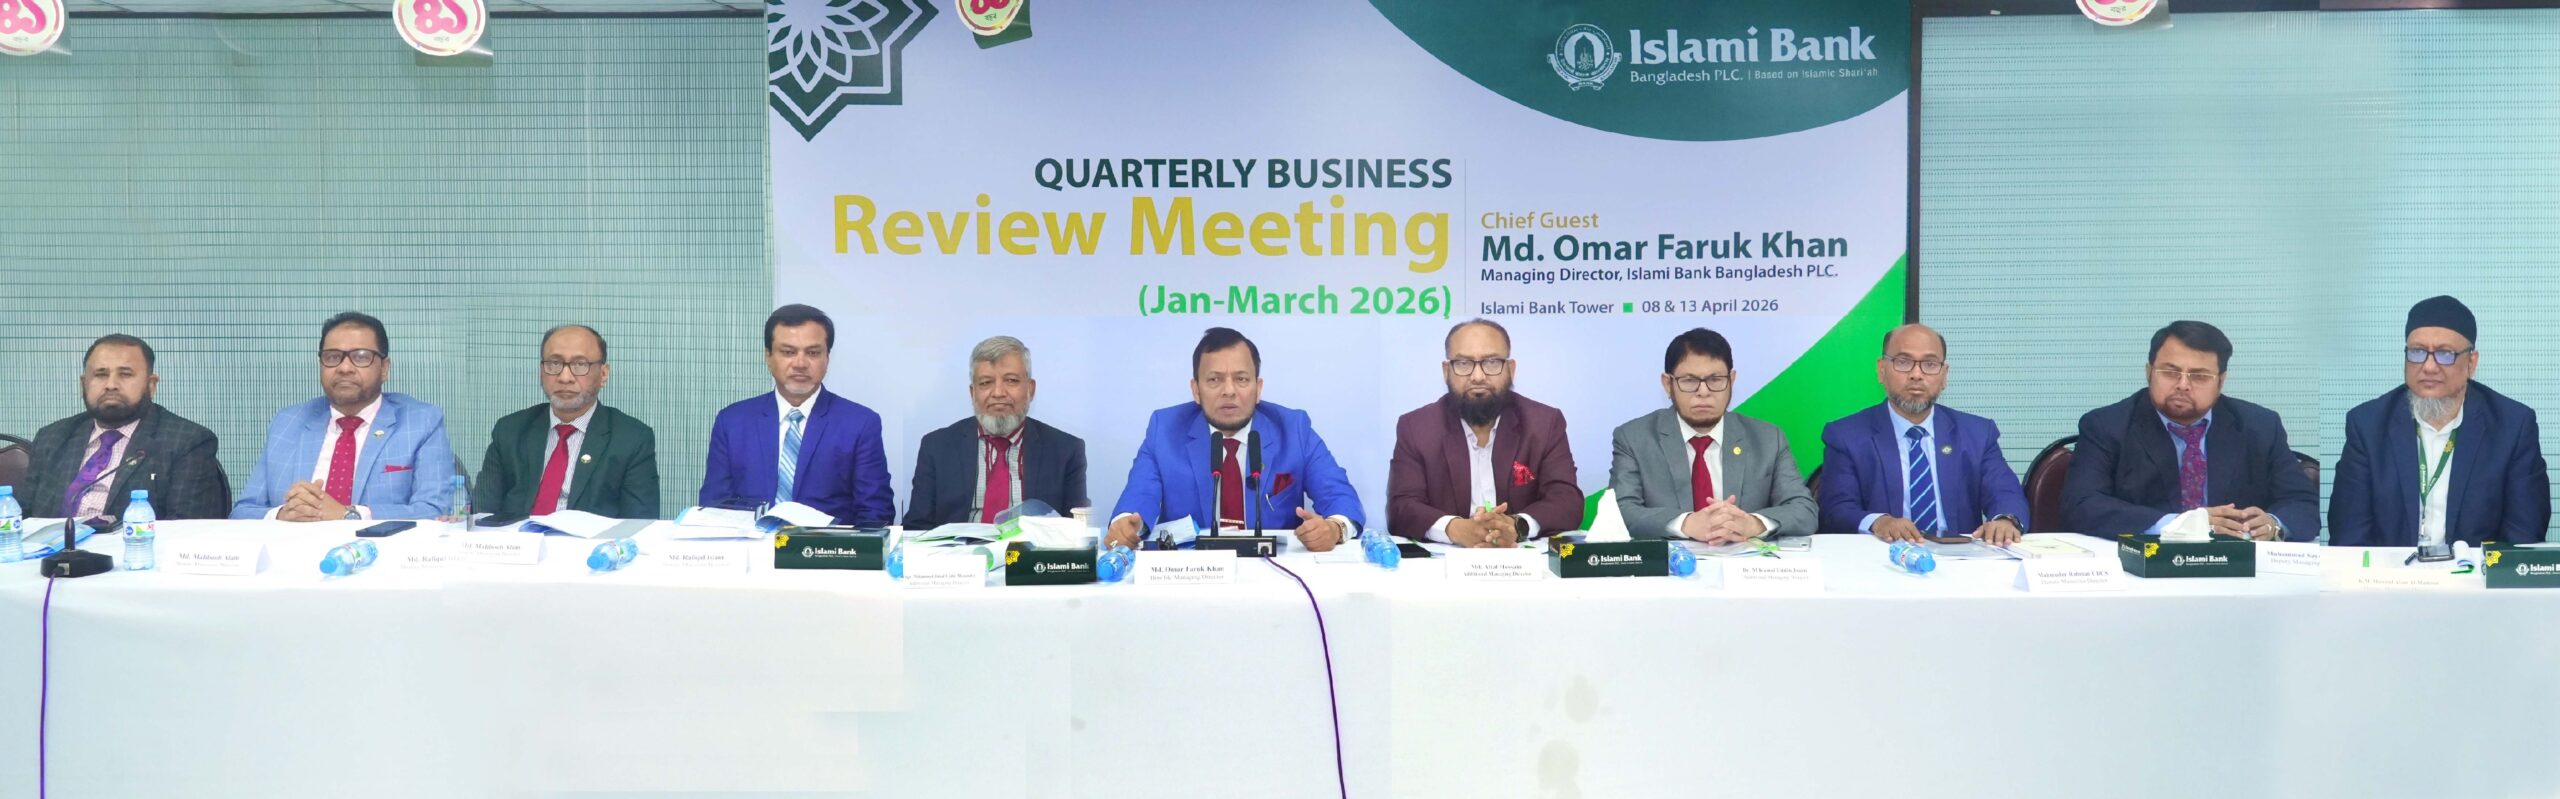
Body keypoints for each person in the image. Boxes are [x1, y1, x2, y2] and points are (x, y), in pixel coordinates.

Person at [1105, 327, 1364, 552]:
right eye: (1214, 380)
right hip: (1192, 573)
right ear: (1196, 390)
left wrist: (1335, 528)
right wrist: (1127, 525)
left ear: (1258, 388)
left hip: (1275, 571)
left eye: (1241, 379)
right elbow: (1139, 496)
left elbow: (1340, 496)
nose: (1229, 391)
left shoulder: (1293, 428)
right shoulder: (1164, 430)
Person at [2061, 320, 2317, 540]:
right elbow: (2081, 505)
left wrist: (2273, 524)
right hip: (2146, 563)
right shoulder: (2107, 425)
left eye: (2199, 376)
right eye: (2170, 372)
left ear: (2221, 382)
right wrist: (2179, 525)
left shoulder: (2260, 426)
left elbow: (2303, 504)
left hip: (2237, 564)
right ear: (2149, 372)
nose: (2183, 385)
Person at [2330, 296, 2547, 546]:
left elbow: (2524, 535)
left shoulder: (2512, 427)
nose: (2429, 366)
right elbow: (2349, 535)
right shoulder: (2367, 426)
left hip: (2475, 569)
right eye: (2417, 352)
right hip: (2391, 570)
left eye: (2445, 354)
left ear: (2471, 363)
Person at [232, 312, 456, 521]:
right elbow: (242, 512)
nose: (344, 368)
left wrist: (348, 514)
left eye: (361, 357)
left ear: (384, 368)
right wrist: (282, 515)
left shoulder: (421, 422)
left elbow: (434, 511)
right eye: (333, 357)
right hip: (295, 547)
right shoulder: (288, 423)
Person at [1817, 324, 2028, 544]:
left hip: (1958, 556)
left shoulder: (1978, 433)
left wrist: (2006, 520)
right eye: (1903, 362)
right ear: (1882, 370)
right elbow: (1836, 509)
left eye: (1930, 364)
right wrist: (1878, 522)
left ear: (1944, 375)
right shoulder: (1846, 435)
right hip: (1882, 554)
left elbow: (2005, 493)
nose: (1916, 375)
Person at [1608, 327, 1817, 543]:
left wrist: (1752, 524)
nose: (1704, 392)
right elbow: (1619, 512)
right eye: (1689, 381)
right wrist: (1686, 524)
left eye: (1715, 379)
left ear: (1731, 380)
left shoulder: (1767, 439)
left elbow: (1804, 509)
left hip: (1743, 561)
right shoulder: (1634, 438)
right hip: (1670, 562)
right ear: (1668, 384)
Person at [1385, 319, 1581, 546]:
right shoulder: (1416, 427)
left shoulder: (1544, 423)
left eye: (1491, 362)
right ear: (1446, 371)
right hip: (1446, 562)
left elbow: (1566, 501)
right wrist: (1455, 529)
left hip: (1522, 559)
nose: (1478, 376)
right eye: (1463, 363)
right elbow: (1401, 507)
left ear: (1511, 369)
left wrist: (1516, 526)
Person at [699, 304, 894, 526]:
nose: (800, 364)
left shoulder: (860, 424)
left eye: (813, 353)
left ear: (827, 358)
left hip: (827, 546)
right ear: (768, 356)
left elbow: (875, 513)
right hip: (751, 544)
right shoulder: (732, 422)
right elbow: (715, 508)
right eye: (788, 352)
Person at [13, 334, 230, 521]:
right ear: (83, 384)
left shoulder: (187, 442)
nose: (111, 385)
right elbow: (22, 517)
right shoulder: (52, 437)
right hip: (50, 554)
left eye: (125, 374)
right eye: (100, 374)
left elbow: (187, 528)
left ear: (151, 385)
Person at [473, 324, 661, 520]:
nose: (564, 377)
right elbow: (481, 512)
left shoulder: (631, 438)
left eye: (580, 365)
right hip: (518, 538)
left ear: (603, 374)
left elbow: (639, 523)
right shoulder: (510, 431)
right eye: (554, 364)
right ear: (541, 370)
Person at [903, 336, 1089, 529]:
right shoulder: (936, 447)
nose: (998, 392)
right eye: (986, 383)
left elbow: (1077, 531)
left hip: (1032, 548)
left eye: (1011, 381)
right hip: (959, 548)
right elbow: (916, 528)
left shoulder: (1066, 450)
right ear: (972, 393)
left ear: (1030, 389)